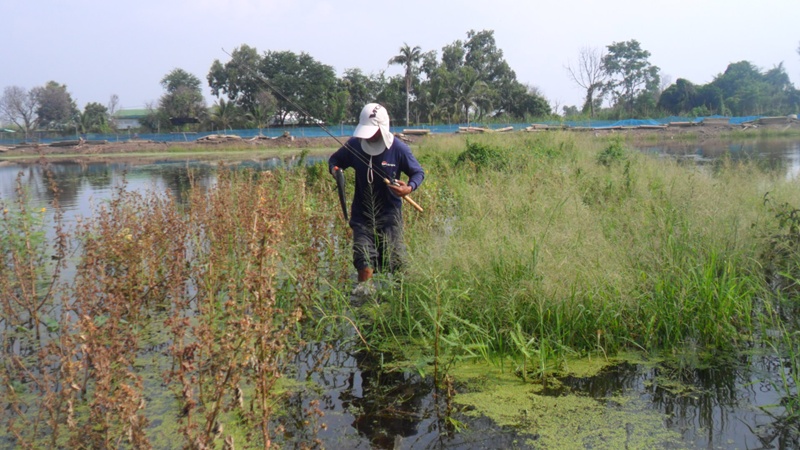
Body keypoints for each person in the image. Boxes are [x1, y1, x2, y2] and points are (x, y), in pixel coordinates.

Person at [328, 103, 425, 296]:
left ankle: (399, 303)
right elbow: (334, 161)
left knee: (398, 265)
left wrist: (408, 188)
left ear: (382, 127)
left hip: (390, 217)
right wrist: (335, 171)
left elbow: (418, 172)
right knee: (364, 263)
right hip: (362, 218)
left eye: (372, 131)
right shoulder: (355, 145)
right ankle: (365, 306)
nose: (368, 135)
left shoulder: (398, 149)